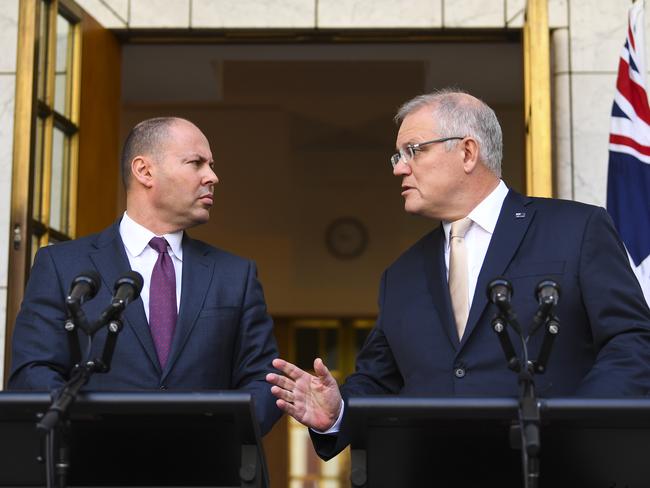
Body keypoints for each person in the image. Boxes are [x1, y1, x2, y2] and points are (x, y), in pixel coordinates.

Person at [266, 89, 650, 458]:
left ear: (468, 152)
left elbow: (632, 341)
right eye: (397, 156)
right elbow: (379, 380)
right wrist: (337, 413)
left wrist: (578, 428)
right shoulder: (401, 274)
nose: (399, 167)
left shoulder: (576, 229)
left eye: (412, 151)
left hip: (553, 469)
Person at [9, 117, 281, 435]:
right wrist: (90, 433)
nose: (213, 176)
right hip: (94, 471)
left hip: (205, 472)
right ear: (144, 171)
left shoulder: (236, 275)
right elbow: (32, 371)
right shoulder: (61, 265)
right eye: (196, 163)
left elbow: (266, 380)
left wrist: (217, 437)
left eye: (211, 164)